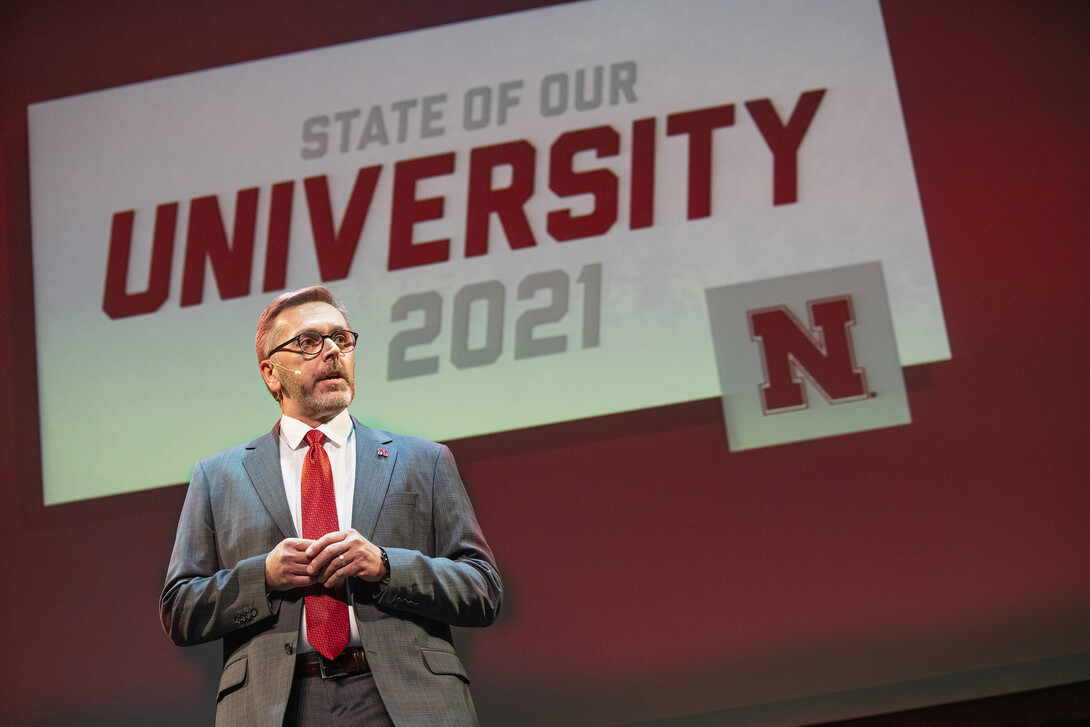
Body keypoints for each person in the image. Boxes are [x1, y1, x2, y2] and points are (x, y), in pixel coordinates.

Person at [160, 285, 502, 727]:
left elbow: (483, 588)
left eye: (341, 339)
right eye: (308, 342)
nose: (332, 352)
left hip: (406, 700)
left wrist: (385, 565)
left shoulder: (425, 460)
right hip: (277, 706)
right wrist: (264, 576)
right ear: (270, 373)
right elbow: (180, 609)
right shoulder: (218, 477)